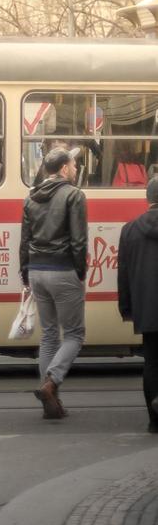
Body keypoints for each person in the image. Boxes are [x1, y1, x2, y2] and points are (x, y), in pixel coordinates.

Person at [20, 148, 88, 419]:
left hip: (37, 270)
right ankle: (51, 383)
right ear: (62, 169)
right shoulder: (74, 195)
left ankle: (51, 402)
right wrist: (80, 271)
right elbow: (79, 240)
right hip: (63, 270)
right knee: (74, 334)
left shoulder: (31, 197)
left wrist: (25, 272)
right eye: (72, 164)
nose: (74, 168)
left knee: (49, 335)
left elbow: (24, 239)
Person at [116, 176, 158, 434]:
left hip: (148, 308)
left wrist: (126, 307)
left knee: (152, 363)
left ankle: (154, 421)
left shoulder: (129, 230)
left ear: (147, 199)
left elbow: (124, 273)